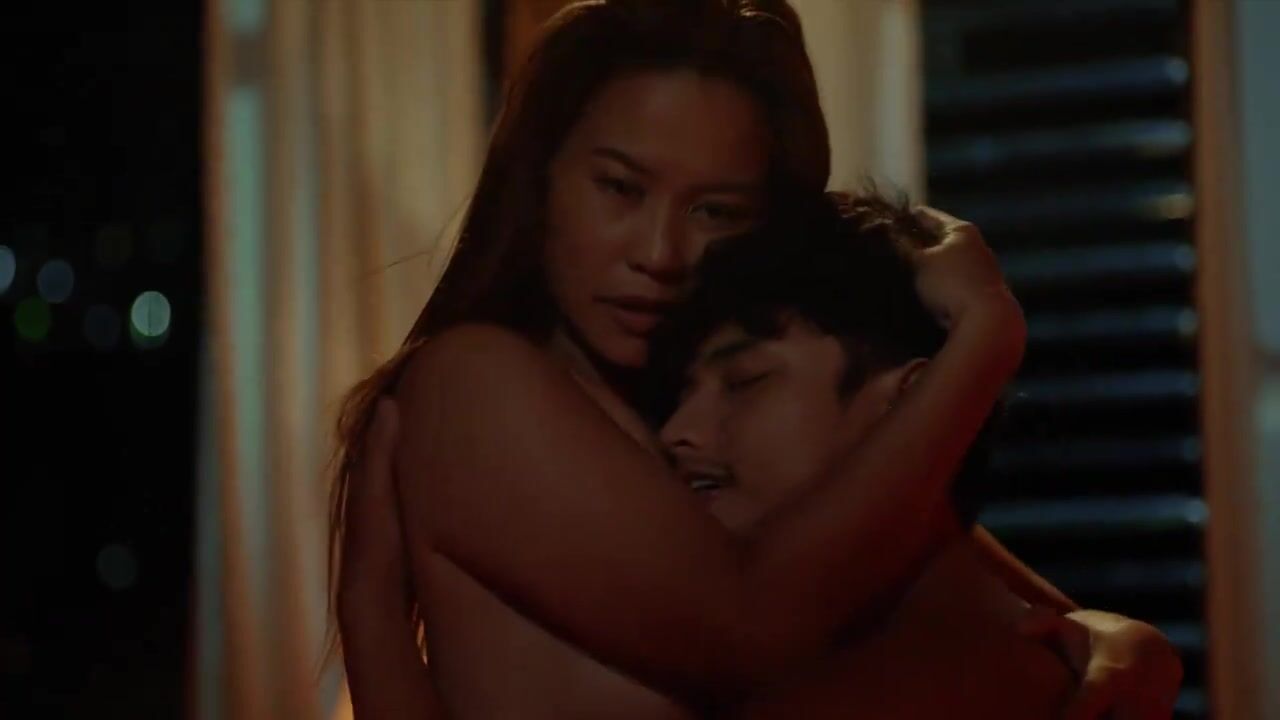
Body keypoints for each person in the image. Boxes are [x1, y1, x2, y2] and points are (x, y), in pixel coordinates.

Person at [331, 1, 1182, 717]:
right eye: (620, 188)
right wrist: (986, 339)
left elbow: (980, 581)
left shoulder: (679, 426)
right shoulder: (476, 382)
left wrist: (1116, 639)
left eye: (715, 210)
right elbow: (749, 631)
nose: (659, 253)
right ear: (540, 181)